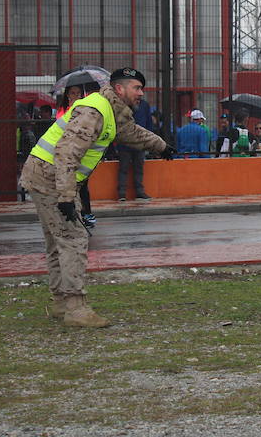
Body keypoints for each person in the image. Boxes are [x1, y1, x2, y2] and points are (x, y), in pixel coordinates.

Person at [19, 67, 174, 327]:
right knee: (73, 239)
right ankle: (76, 308)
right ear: (120, 89)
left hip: (45, 174)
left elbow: (130, 133)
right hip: (51, 176)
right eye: (137, 88)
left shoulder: (111, 111)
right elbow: (67, 153)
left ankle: (60, 302)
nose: (141, 94)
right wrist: (67, 197)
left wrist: (161, 146)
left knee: (59, 241)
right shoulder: (95, 110)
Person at [57, 85, 96, 227]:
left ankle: (87, 213)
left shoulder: (86, 109)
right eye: (73, 93)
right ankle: (72, 212)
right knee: (68, 184)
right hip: (65, 152)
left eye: (78, 93)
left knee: (83, 184)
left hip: (81, 151)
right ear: (67, 95)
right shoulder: (63, 111)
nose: (76, 95)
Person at [117, 94, 154, 201]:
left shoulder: (144, 105)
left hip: (138, 143)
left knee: (137, 169)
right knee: (124, 169)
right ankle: (122, 193)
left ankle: (138, 192)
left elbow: (148, 123)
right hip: (125, 143)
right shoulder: (123, 105)